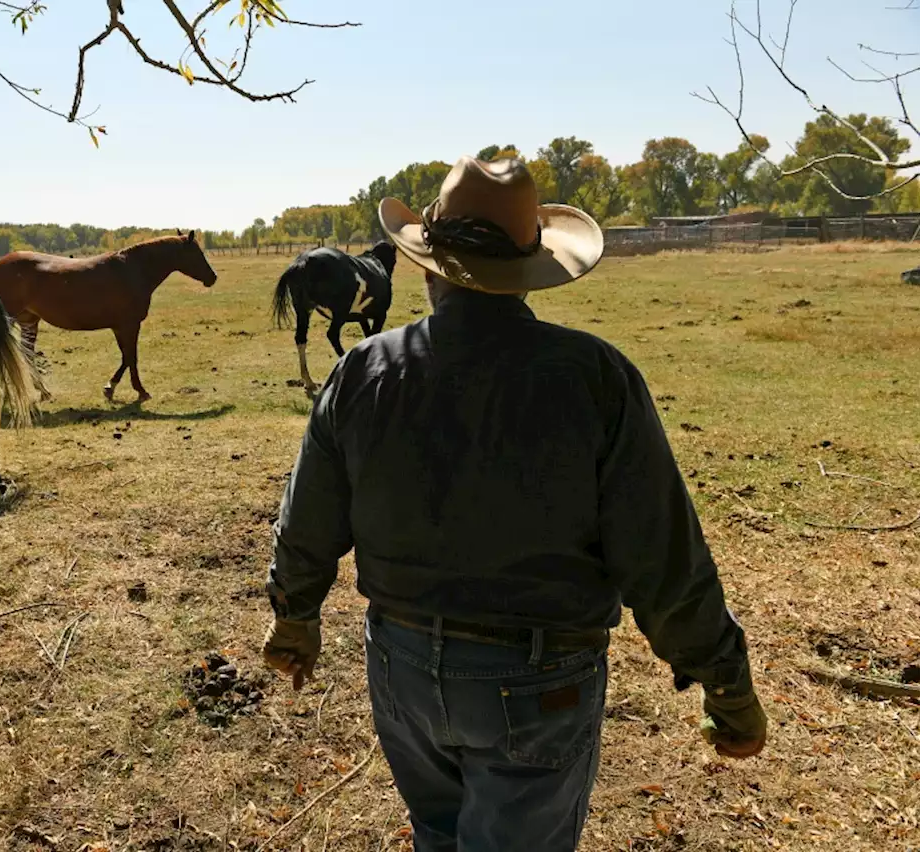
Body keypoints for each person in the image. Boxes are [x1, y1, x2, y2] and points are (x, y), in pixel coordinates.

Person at [260, 156, 767, 851]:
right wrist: (726, 683)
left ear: (427, 265)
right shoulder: (594, 378)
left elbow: (307, 518)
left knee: (437, 834)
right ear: (530, 267)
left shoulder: (364, 371)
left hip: (399, 662)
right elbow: (662, 554)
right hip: (537, 679)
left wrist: (294, 618)